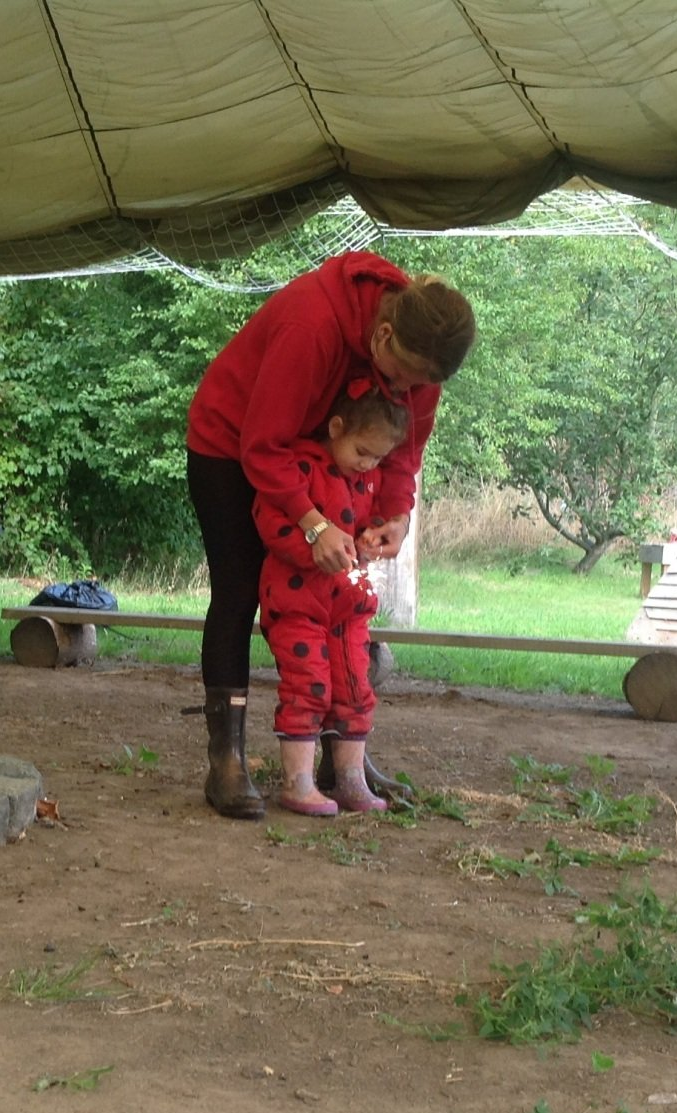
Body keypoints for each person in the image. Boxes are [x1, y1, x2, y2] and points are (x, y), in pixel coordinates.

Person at [186, 252, 476, 820]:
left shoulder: (422, 362)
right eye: (401, 376)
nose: (405, 389)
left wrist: (395, 515)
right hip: (233, 446)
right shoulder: (312, 325)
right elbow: (262, 446)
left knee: (339, 599)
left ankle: (341, 760)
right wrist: (313, 523)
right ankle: (227, 761)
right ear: (383, 334)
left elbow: (403, 452)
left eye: (420, 384)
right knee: (240, 590)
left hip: (322, 451)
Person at [252, 379, 408, 815]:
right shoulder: (300, 469)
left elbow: (366, 523)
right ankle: (297, 782)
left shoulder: (369, 478)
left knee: (355, 689)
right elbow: (270, 519)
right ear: (337, 428)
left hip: (348, 610)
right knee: (308, 687)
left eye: (378, 458)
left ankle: (350, 779)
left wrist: (371, 538)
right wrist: (314, 548)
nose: (369, 464)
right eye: (363, 452)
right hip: (298, 605)